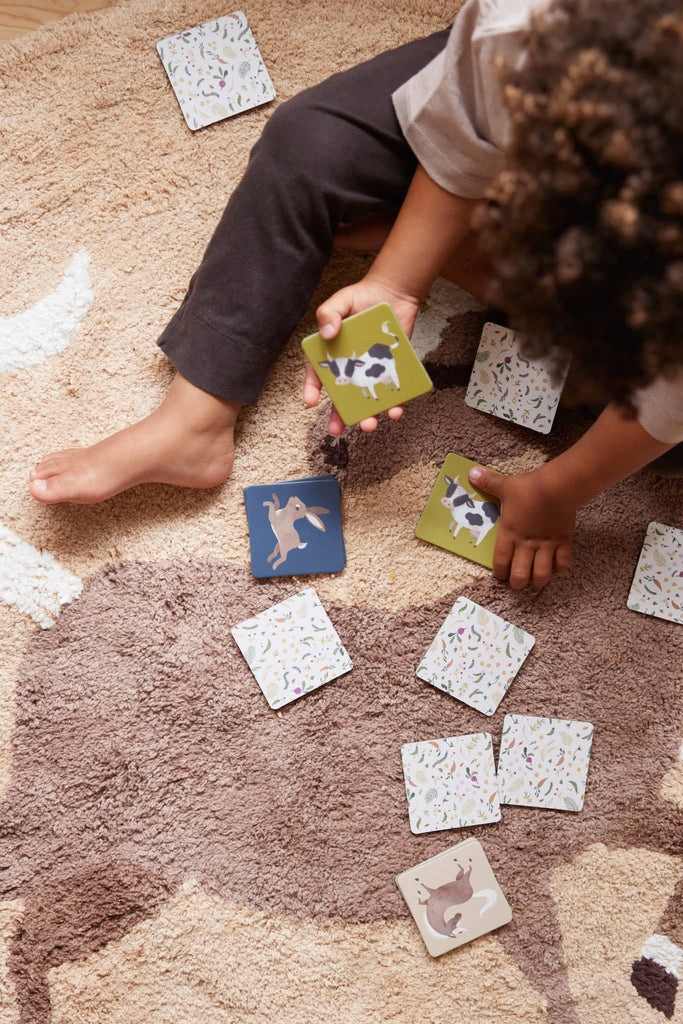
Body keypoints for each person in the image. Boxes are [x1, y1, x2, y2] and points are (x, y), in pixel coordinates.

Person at [29, 0, 683, 591]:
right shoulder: (524, 27)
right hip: (546, 95)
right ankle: (192, 421)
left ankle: (476, 252)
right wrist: (395, 280)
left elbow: (668, 399)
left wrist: (556, 491)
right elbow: (461, 133)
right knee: (306, 144)